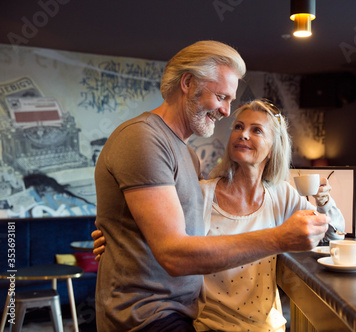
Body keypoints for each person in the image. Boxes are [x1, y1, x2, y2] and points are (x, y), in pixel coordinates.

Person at [93, 40, 331, 332]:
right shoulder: (143, 138)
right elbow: (173, 254)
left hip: (181, 313)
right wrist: (280, 238)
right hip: (147, 318)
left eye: (230, 100)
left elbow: (160, 227)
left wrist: (119, 236)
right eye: (221, 96)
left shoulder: (188, 155)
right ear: (188, 83)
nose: (227, 111)